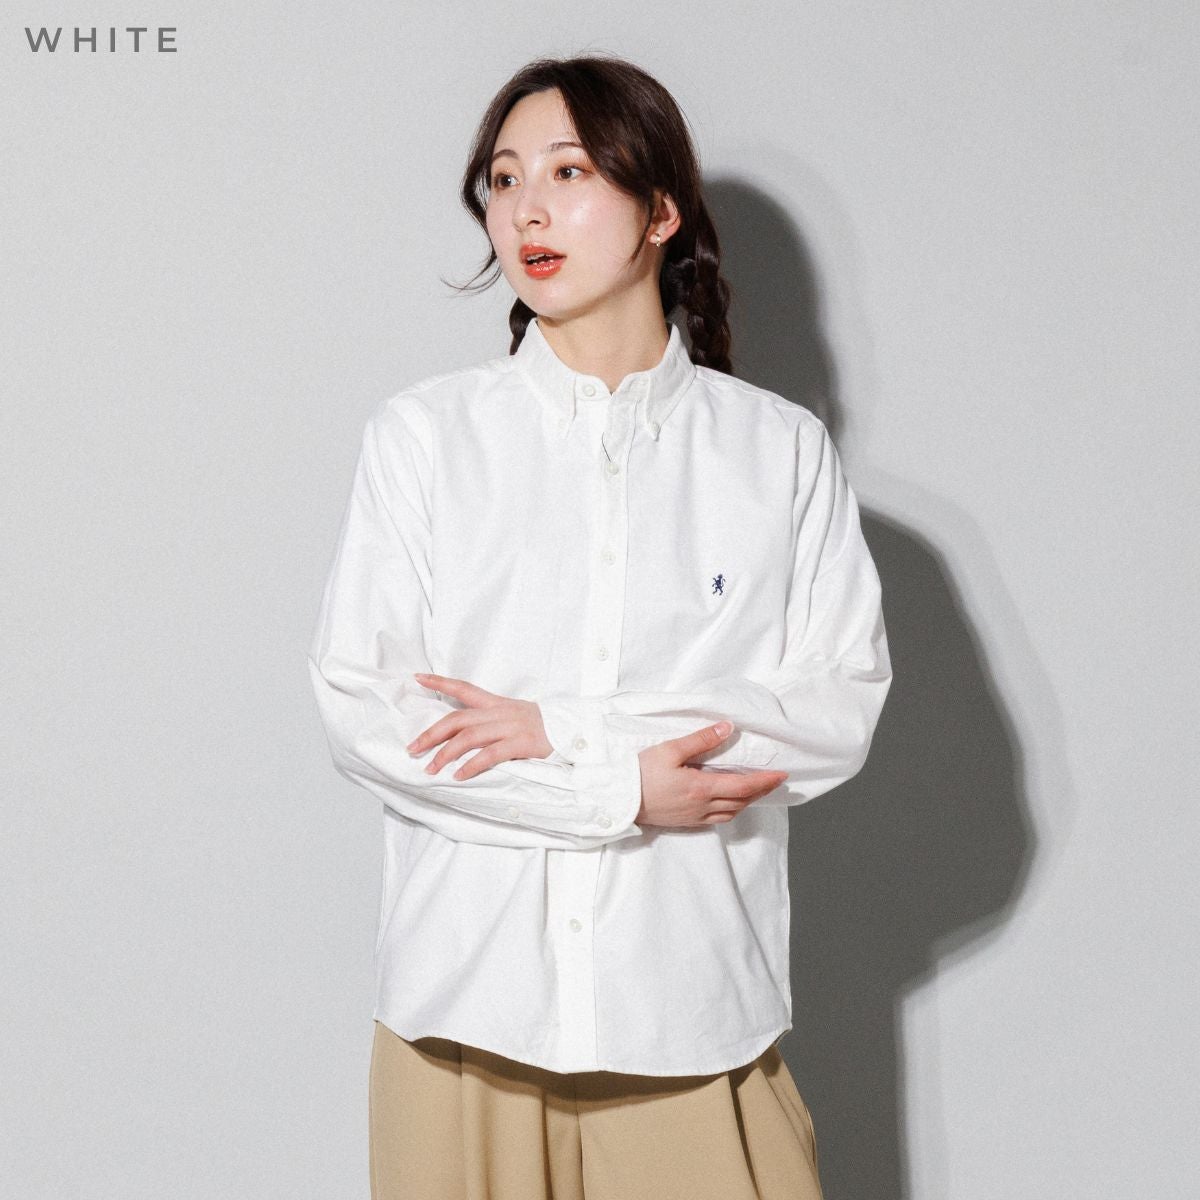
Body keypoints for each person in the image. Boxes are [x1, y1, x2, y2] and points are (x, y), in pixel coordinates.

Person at [308, 52, 892, 1200]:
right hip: (463, 1020)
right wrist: (619, 791)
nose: (526, 209)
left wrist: (562, 729)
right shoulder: (425, 441)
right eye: (503, 178)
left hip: (693, 1018)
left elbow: (834, 713)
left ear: (661, 209)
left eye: (569, 172)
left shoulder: (777, 454)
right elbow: (367, 715)